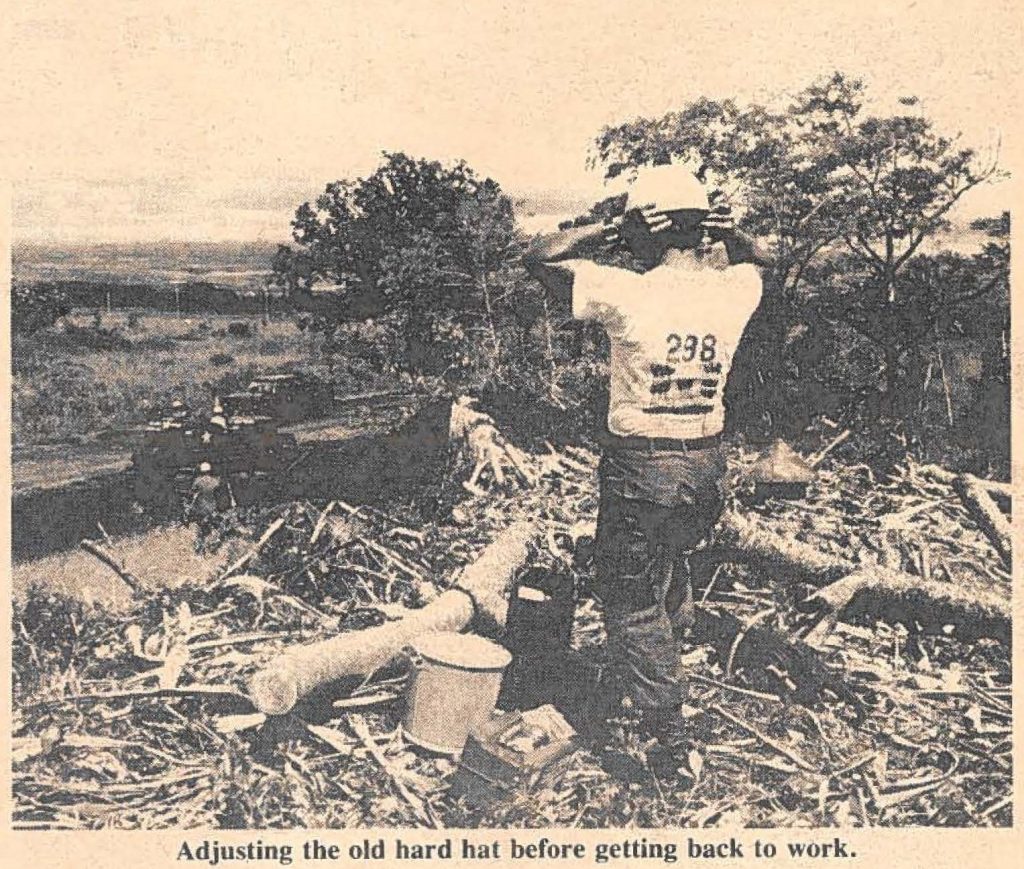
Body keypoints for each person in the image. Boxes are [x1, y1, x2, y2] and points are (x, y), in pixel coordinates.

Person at [523, 163, 769, 773]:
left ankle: (665, 733)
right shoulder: (735, 287)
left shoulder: (624, 289)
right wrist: (727, 234)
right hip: (708, 465)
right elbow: (767, 260)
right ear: (701, 227)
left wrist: (609, 227)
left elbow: (539, 257)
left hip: (642, 468)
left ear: (646, 227)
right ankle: (664, 656)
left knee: (628, 596)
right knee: (666, 568)